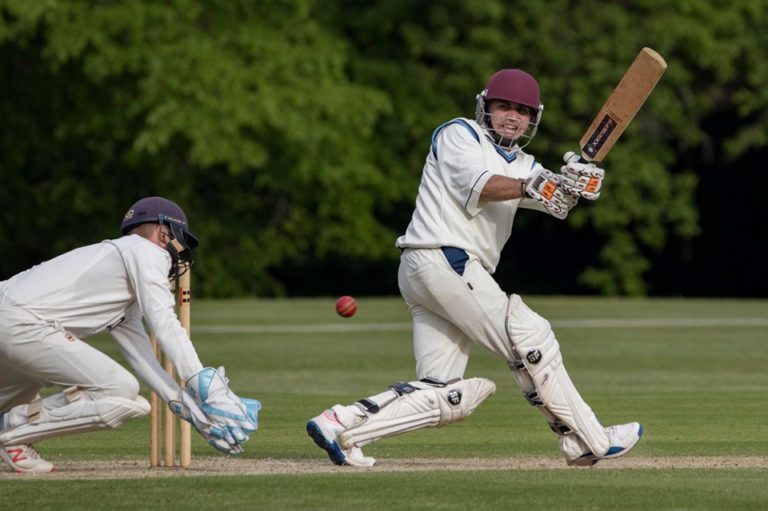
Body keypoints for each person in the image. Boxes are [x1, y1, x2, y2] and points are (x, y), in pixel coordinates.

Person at [306, 69, 642, 467]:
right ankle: (588, 438)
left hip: (431, 272)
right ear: (486, 107)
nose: (512, 117)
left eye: (522, 111)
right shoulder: (458, 135)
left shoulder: (524, 163)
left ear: (532, 119)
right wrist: (533, 186)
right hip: (445, 260)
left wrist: (574, 183)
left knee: (443, 391)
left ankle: (342, 425)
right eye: (504, 107)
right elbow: (483, 185)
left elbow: (554, 201)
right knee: (530, 340)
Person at [0, 196, 260, 473]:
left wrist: (189, 410)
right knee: (121, 393)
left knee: (31, 384)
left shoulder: (120, 281)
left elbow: (141, 357)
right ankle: (12, 428)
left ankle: (11, 431)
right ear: (163, 234)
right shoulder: (147, 252)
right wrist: (202, 381)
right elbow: (164, 322)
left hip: (14, 322)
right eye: (179, 242)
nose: (178, 254)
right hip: (20, 322)